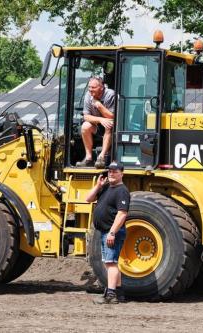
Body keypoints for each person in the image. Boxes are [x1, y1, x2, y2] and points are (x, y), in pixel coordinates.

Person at [86, 162, 130, 304]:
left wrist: (112, 233)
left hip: (112, 232)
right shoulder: (105, 188)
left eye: (115, 171)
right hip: (105, 231)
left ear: (121, 174)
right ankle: (120, 293)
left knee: (111, 263)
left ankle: (110, 295)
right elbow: (88, 199)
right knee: (111, 263)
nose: (111, 174)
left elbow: (122, 214)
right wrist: (98, 185)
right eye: (109, 171)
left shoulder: (122, 190)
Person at [76, 77, 115, 169]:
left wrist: (99, 105)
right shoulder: (88, 95)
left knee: (109, 124)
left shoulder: (110, 94)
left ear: (101, 88)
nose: (90, 90)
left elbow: (112, 116)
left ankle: (101, 158)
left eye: (93, 87)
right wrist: (100, 120)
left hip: (110, 126)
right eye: (89, 87)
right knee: (85, 126)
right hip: (97, 125)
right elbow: (86, 116)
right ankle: (88, 159)